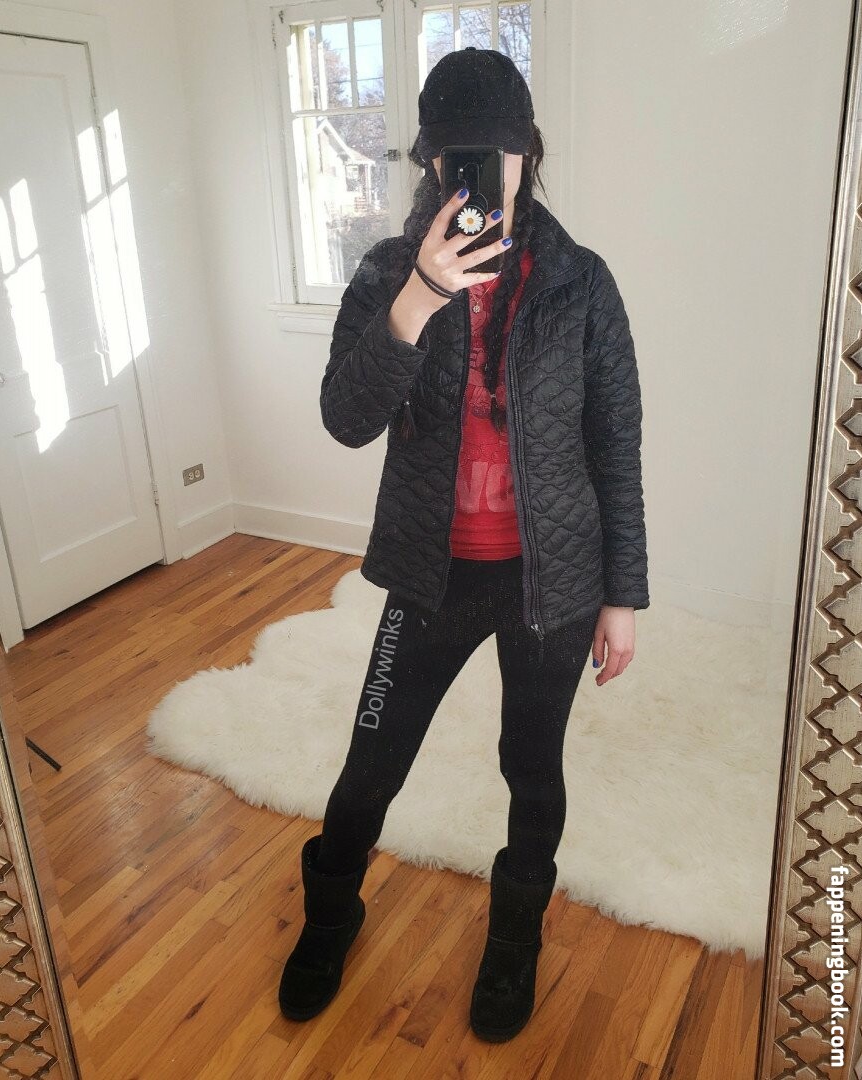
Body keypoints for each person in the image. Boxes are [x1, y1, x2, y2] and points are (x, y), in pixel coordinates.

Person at [279, 47, 649, 1043]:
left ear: (529, 155)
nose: (479, 172)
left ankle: (513, 938)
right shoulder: (386, 274)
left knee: (531, 766)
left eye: (497, 153)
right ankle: (330, 912)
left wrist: (621, 596)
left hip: (552, 582)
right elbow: (346, 419)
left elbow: (615, 445)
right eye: (457, 157)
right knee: (372, 759)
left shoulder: (581, 283)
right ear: (432, 165)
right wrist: (418, 297)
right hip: (428, 577)